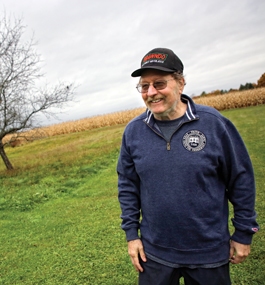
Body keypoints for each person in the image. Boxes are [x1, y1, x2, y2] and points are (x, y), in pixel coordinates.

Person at [117, 47, 259, 285]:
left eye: (159, 83)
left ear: (180, 83)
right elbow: (128, 186)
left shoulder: (213, 124)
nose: (151, 92)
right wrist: (132, 236)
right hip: (154, 254)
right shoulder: (134, 131)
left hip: (208, 252)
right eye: (144, 86)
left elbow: (241, 179)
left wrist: (244, 233)